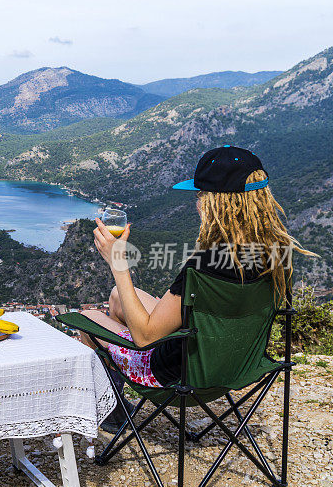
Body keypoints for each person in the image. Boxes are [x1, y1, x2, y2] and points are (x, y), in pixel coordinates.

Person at [82, 145, 312, 431]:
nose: (198, 202)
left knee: (88, 319)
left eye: (201, 194)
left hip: (175, 376)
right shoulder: (276, 254)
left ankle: (113, 412)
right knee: (118, 298)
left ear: (218, 202)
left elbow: (143, 337)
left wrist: (118, 262)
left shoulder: (205, 265)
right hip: (235, 368)